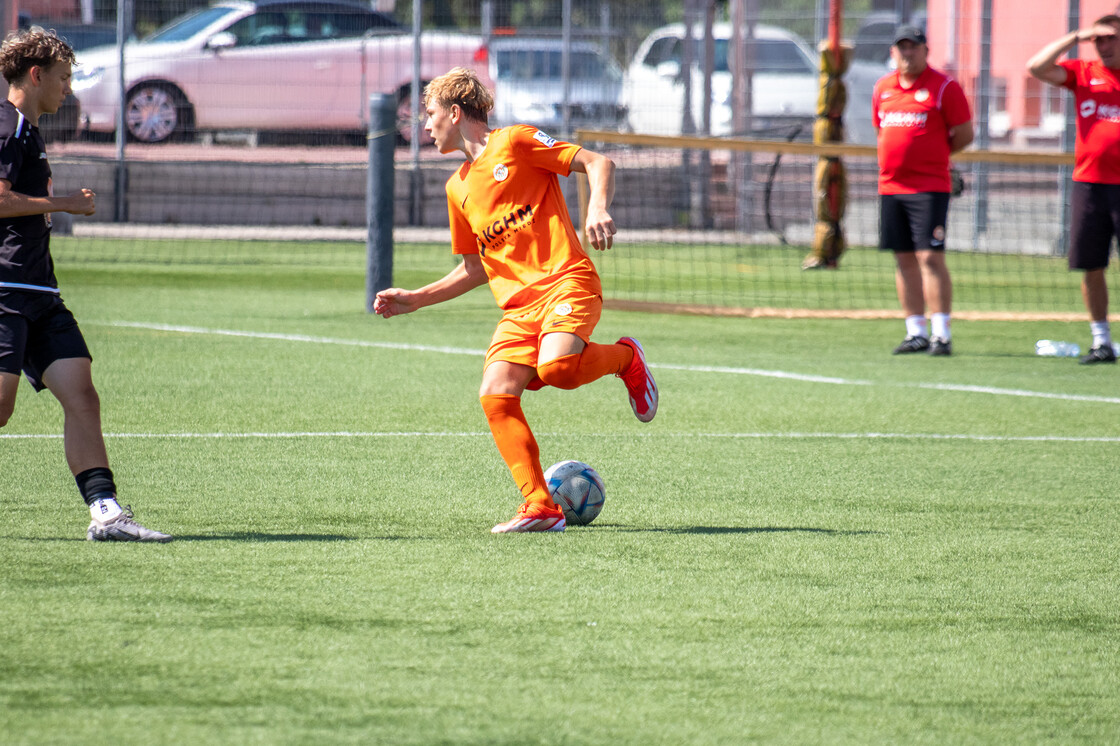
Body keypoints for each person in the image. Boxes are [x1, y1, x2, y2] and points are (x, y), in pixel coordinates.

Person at [373, 67, 657, 534]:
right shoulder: (457, 188)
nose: (425, 126)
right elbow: (474, 268)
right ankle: (540, 507)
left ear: (455, 112)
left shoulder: (517, 142)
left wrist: (598, 207)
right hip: (519, 310)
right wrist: (416, 299)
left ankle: (626, 359)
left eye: (430, 115)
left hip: (567, 280)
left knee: (558, 369)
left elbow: (599, 162)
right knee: (496, 395)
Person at [0, 28, 171, 542]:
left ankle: (105, 512)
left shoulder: (29, 130)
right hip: (6, 290)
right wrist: (65, 203)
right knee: (1, 407)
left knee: (81, 394)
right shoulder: (6, 125)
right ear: (36, 75)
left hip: (41, 293)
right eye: (63, 78)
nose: (68, 89)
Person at [873, 25, 974, 356]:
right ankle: (914, 331)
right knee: (903, 258)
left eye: (913, 47)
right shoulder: (883, 88)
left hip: (929, 186)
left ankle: (940, 333)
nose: (907, 53)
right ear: (893, 52)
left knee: (930, 256)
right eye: (901, 47)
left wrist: (936, 157)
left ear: (925, 50)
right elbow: (881, 128)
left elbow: (963, 133)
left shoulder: (943, 87)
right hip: (891, 185)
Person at [1028, 16, 1120, 365]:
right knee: (1091, 265)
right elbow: (1036, 67)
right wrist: (1075, 37)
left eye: (1110, 38)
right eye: (1098, 39)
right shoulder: (1084, 72)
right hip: (1091, 184)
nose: (1103, 45)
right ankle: (1101, 341)